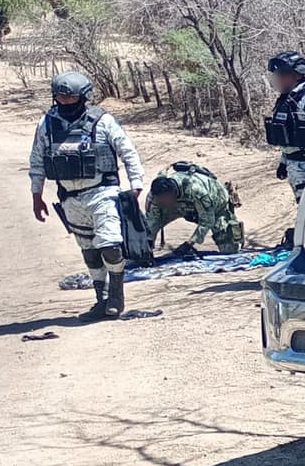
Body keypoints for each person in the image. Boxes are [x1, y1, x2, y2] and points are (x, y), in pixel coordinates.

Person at [30, 71, 144, 321]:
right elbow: (37, 160)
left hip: (102, 192)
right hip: (70, 198)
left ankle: (116, 296)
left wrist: (136, 185)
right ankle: (101, 298)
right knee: (89, 250)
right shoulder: (46, 124)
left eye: (70, 97)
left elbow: (128, 152)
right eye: (61, 97)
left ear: (83, 97)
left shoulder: (103, 121)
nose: (65, 101)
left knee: (110, 245)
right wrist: (36, 195)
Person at [265, 50, 305, 218]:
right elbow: (289, 136)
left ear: (296, 75)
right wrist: (283, 162)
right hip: (295, 168)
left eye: (281, 75)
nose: (278, 79)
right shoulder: (287, 100)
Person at [144, 162, 245, 255]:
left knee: (230, 250)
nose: (160, 202)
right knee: (144, 240)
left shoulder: (196, 190)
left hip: (215, 207)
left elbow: (207, 221)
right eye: (159, 200)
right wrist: (148, 242)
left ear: (170, 194)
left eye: (163, 199)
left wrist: (189, 244)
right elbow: (152, 220)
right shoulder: (155, 195)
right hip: (179, 206)